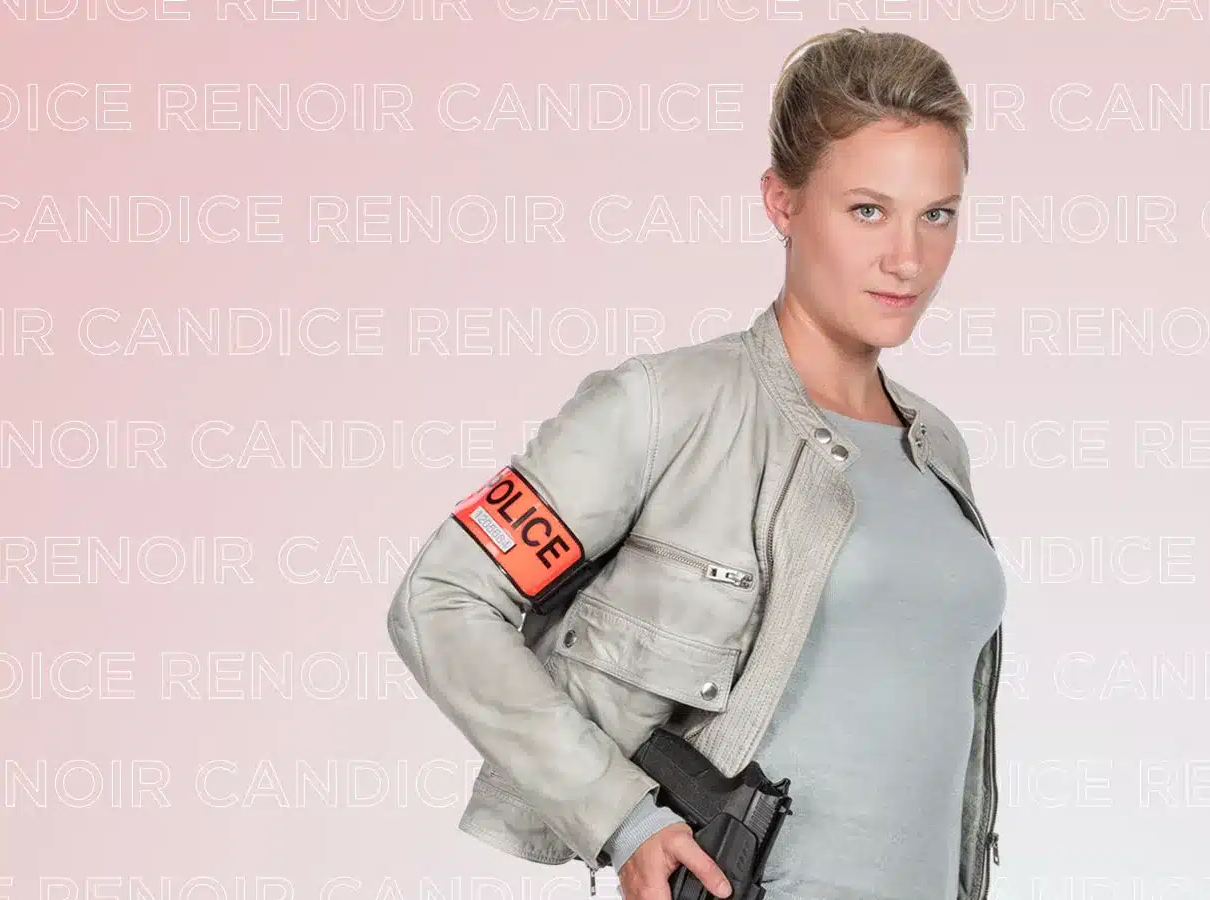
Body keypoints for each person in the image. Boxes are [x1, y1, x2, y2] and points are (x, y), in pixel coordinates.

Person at [386, 26, 1004, 900]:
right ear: (782, 202)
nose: (908, 258)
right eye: (867, 210)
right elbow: (442, 597)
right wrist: (622, 817)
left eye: (936, 214)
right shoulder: (666, 407)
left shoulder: (935, 447)